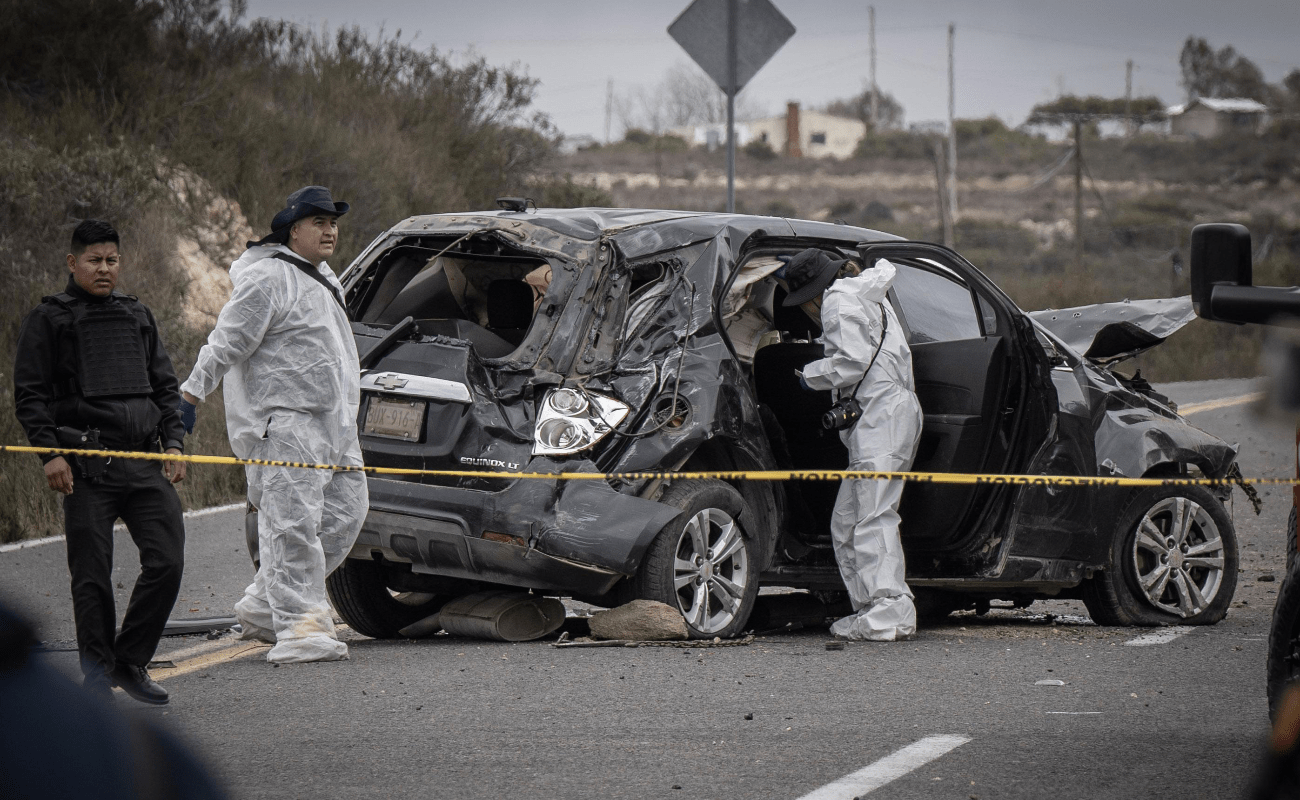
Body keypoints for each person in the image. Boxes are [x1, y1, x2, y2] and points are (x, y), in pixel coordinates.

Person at [179, 185, 365, 664]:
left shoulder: (325, 277)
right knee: (292, 526)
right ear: (293, 229)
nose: (330, 230)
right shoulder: (268, 277)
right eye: (319, 222)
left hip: (334, 425)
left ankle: (266, 605)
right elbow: (226, 342)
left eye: (333, 222)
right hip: (285, 423)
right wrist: (190, 395)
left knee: (347, 513)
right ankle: (301, 629)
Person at [13, 219, 188, 703]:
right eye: (94, 260)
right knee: (91, 576)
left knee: (167, 562)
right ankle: (96, 680)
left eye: (111, 260)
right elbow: (29, 396)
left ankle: (130, 661)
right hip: (86, 467)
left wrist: (174, 443)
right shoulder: (49, 319)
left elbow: (165, 388)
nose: (104, 268)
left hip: (143, 462)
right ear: (73, 263)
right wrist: (50, 454)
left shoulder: (138, 315)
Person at [783, 248, 923, 641]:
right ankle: (870, 610)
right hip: (890, 412)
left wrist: (808, 375)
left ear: (814, 290)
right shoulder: (865, 292)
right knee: (849, 520)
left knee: (871, 517)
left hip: (882, 418)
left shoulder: (838, 299)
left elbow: (851, 362)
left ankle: (888, 613)